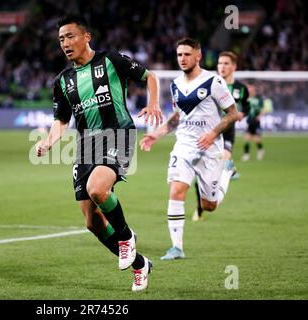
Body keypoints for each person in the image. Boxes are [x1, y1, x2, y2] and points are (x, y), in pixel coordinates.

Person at [35, 15, 162, 291]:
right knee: (92, 222)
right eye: (61, 40)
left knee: (98, 189)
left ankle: (127, 236)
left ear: (86, 37)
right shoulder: (62, 81)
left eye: (70, 36)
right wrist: (48, 141)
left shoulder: (111, 60)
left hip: (118, 134)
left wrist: (153, 103)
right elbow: (61, 120)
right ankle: (140, 265)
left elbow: (149, 76)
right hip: (86, 147)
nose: (65, 43)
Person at [140, 38, 238, 260]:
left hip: (210, 149)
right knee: (176, 190)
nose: (182, 59)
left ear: (198, 56)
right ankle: (177, 247)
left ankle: (226, 173)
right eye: (179, 55)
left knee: (209, 205)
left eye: (187, 54)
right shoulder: (175, 84)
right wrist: (156, 134)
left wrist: (213, 133)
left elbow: (233, 113)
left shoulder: (213, 81)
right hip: (183, 146)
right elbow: (178, 117)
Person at [192, 51, 250, 221]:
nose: (222, 67)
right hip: (209, 132)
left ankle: (227, 170)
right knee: (201, 175)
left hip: (228, 132)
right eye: (220, 63)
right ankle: (200, 208)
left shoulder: (241, 89)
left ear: (234, 67)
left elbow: (246, 107)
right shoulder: (210, 84)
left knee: (220, 164)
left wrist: (241, 115)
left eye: (226, 63)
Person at [241, 83, 267, 161]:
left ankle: (256, 151)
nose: (249, 90)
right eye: (248, 88)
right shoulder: (247, 98)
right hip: (249, 120)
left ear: (253, 89)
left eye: (250, 88)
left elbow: (263, 109)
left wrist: (260, 116)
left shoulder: (259, 98)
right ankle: (250, 153)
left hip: (255, 121)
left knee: (253, 139)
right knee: (249, 138)